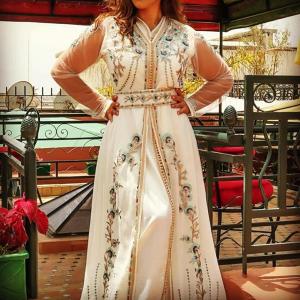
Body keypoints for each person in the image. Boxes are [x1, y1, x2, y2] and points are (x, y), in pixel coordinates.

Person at [51, 0, 233, 299]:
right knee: (133, 216)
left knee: (170, 215)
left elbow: (223, 77)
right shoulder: (107, 28)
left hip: (172, 135)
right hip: (125, 134)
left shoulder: (186, 35)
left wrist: (191, 102)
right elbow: (63, 69)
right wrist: (100, 103)